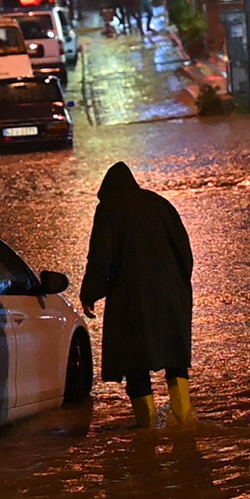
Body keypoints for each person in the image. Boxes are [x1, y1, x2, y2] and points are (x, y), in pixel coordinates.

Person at [81, 162, 195, 428]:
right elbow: (185, 252)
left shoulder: (109, 208)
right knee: (175, 358)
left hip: (131, 300)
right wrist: (178, 288)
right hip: (172, 296)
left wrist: (90, 294)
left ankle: (148, 428)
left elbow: (100, 257)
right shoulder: (160, 204)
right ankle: (184, 419)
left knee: (136, 362)